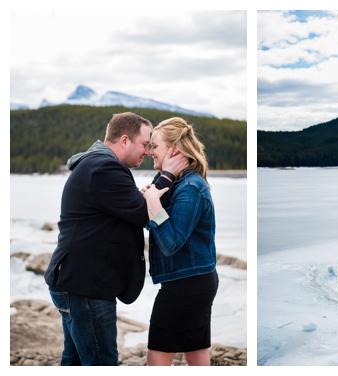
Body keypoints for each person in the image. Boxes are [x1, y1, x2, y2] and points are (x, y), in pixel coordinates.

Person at [44, 112, 188, 366]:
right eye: (145, 144)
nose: (147, 152)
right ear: (124, 140)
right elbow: (143, 213)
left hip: (77, 281)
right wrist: (168, 175)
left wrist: (150, 190)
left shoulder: (98, 166)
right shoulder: (103, 167)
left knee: (76, 361)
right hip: (85, 285)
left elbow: (130, 205)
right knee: (102, 363)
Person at [142, 117, 219, 366]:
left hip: (186, 286)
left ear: (173, 149)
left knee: (157, 357)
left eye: (155, 146)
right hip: (192, 281)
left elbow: (171, 243)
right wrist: (158, 188)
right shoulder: (176, 183)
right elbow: (152, 223)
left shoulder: (190, 188)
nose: (149, 152)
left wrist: (153, 203)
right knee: (195, 352)